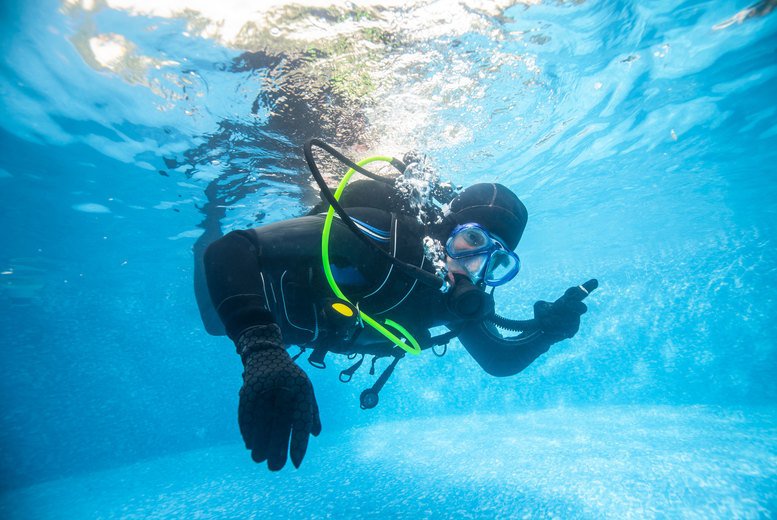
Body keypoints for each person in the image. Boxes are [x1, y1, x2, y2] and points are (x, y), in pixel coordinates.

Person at [201, 139, 597, 471]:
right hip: (254, 300)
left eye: (497, 261)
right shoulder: (375, 235)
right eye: (471, 242)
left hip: (295, 336)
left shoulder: (456, 297)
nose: (474, 269)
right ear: (444, 231)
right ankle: (208, 216)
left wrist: (550, 333)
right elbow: (231, 250)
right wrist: (261, 349)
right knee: (212, 319)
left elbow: (499, 361)